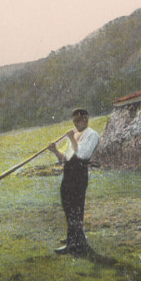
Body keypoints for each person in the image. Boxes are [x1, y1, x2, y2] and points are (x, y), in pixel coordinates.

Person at [48, 108, 100, 255]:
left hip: (79, 174)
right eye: (74, 121)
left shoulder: (92, 135)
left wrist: (71, 138)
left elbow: (82, 154)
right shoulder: (76, 134)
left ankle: (76, 244)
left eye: (78, 120)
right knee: (68, 206)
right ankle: (73, 239)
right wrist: (55, 150)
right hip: (68, 173)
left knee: (76, 208)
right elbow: (65, 158)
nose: (76, 124)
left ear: (86, 119)